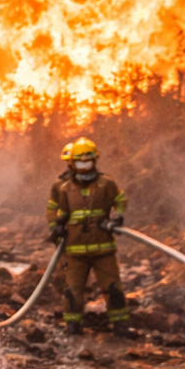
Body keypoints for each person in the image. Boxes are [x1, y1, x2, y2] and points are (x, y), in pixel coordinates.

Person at [47, 137, 132, 336]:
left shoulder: (106, 183)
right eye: (79, 162)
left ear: (95, 160)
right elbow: (60, 212)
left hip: (103, 248)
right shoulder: (65, 188)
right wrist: (58, 227)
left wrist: (117, 217)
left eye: (87, 161)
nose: (83, 166)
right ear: (71, 163)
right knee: (73, 290)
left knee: (113, 288)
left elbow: (120, 200)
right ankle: (73, 327)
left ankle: (121, 326)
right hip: (75, 250)